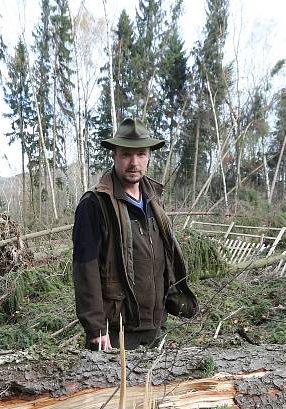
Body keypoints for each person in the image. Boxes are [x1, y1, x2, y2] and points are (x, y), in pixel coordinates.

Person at [72, 117, 198, 350]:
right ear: (114, 156)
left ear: (149, 155)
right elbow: (85, 269)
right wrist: (96, 329)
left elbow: (162, 260)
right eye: (126, 154)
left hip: (154, 327)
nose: (134, 162)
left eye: (140, 154)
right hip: (115, 332)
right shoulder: (95, 204)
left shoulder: (153, 199)